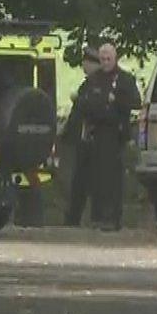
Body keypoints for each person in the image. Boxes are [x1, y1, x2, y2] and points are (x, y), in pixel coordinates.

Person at [79, 43, 142, 231]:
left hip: (115, 134)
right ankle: (97, 217)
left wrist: (118, 101)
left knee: (113, 178)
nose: (105, 63)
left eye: (108, 59)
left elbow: (135, 102)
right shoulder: (94, 79)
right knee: (96, 178)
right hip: (96, 132)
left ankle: (113, 218)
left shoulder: (125, 79)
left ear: (115, 59)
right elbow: (82, 102)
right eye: (102, 59)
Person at [63, 47, 102, 227]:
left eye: (86, 62)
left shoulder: (97, 84)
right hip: (82, 139)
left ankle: (94, 218)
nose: (83, 65)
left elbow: (90, 109)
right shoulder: (87, 84)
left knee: (92, 181)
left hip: (94, 140)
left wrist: (78, 101)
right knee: (78, 181)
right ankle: (73, 218)